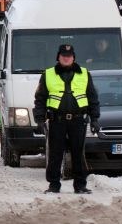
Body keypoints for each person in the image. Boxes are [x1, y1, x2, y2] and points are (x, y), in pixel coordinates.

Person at [33, 44, 100, 194]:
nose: (66, 58)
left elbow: (92, 98)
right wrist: (39, 119)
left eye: (69, 56)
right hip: (57, 120)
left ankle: (80, 185)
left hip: (78, 120)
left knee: (78, 153)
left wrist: (95, 119)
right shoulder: (48, 74)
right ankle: (54, 185)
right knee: (55, 154)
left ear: (73, 58)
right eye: (63, 55)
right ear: (58, 57)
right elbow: (40, 99)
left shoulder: (84, 73)